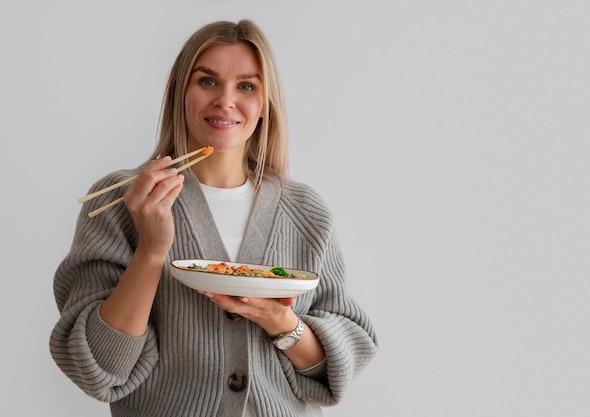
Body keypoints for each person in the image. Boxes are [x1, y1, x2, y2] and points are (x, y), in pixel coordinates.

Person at [49, 19, 378, 417]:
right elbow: (101, 370)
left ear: (265, 104)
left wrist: (281, 322)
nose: (225, 100)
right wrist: (152, 249)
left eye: (246, 86)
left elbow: (337, 364)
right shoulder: (124, 200)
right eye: (207, 81)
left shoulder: (305, 211)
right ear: (180, 93)